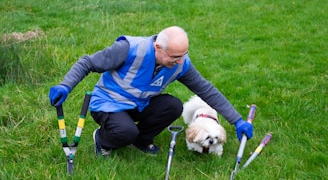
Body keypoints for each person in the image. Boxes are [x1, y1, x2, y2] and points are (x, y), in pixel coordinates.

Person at [49, 26, 253, 156]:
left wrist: (237, 120)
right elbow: (88, 62)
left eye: (184, 55)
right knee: (125, 131)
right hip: (109, 104)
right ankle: (102, 139)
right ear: (158, 48)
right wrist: (65, 85)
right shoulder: (128, 49)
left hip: (139, 104)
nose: (180, 61)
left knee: (173, 106)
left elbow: (206, 90)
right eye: (175, 56)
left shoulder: (181, 64)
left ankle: (141, 140)